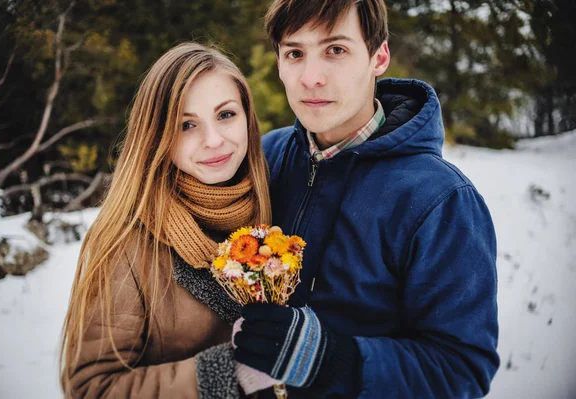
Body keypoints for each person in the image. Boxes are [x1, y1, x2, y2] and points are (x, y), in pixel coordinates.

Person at [232, 1, 500, 398]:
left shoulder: (439, 200)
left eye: (336, 50)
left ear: (379, 57)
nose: (311, 77)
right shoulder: (264, 158)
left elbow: (462, 371)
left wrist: (334, 360)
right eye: (294, 53)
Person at [60, 42, 272, 398]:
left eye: (226, 115)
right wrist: (227, 373)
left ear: (248, 119)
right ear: (157, 135)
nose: (214, 140)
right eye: (186, 124)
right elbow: (90, 387)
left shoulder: (273, 202)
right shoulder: (127, 240)